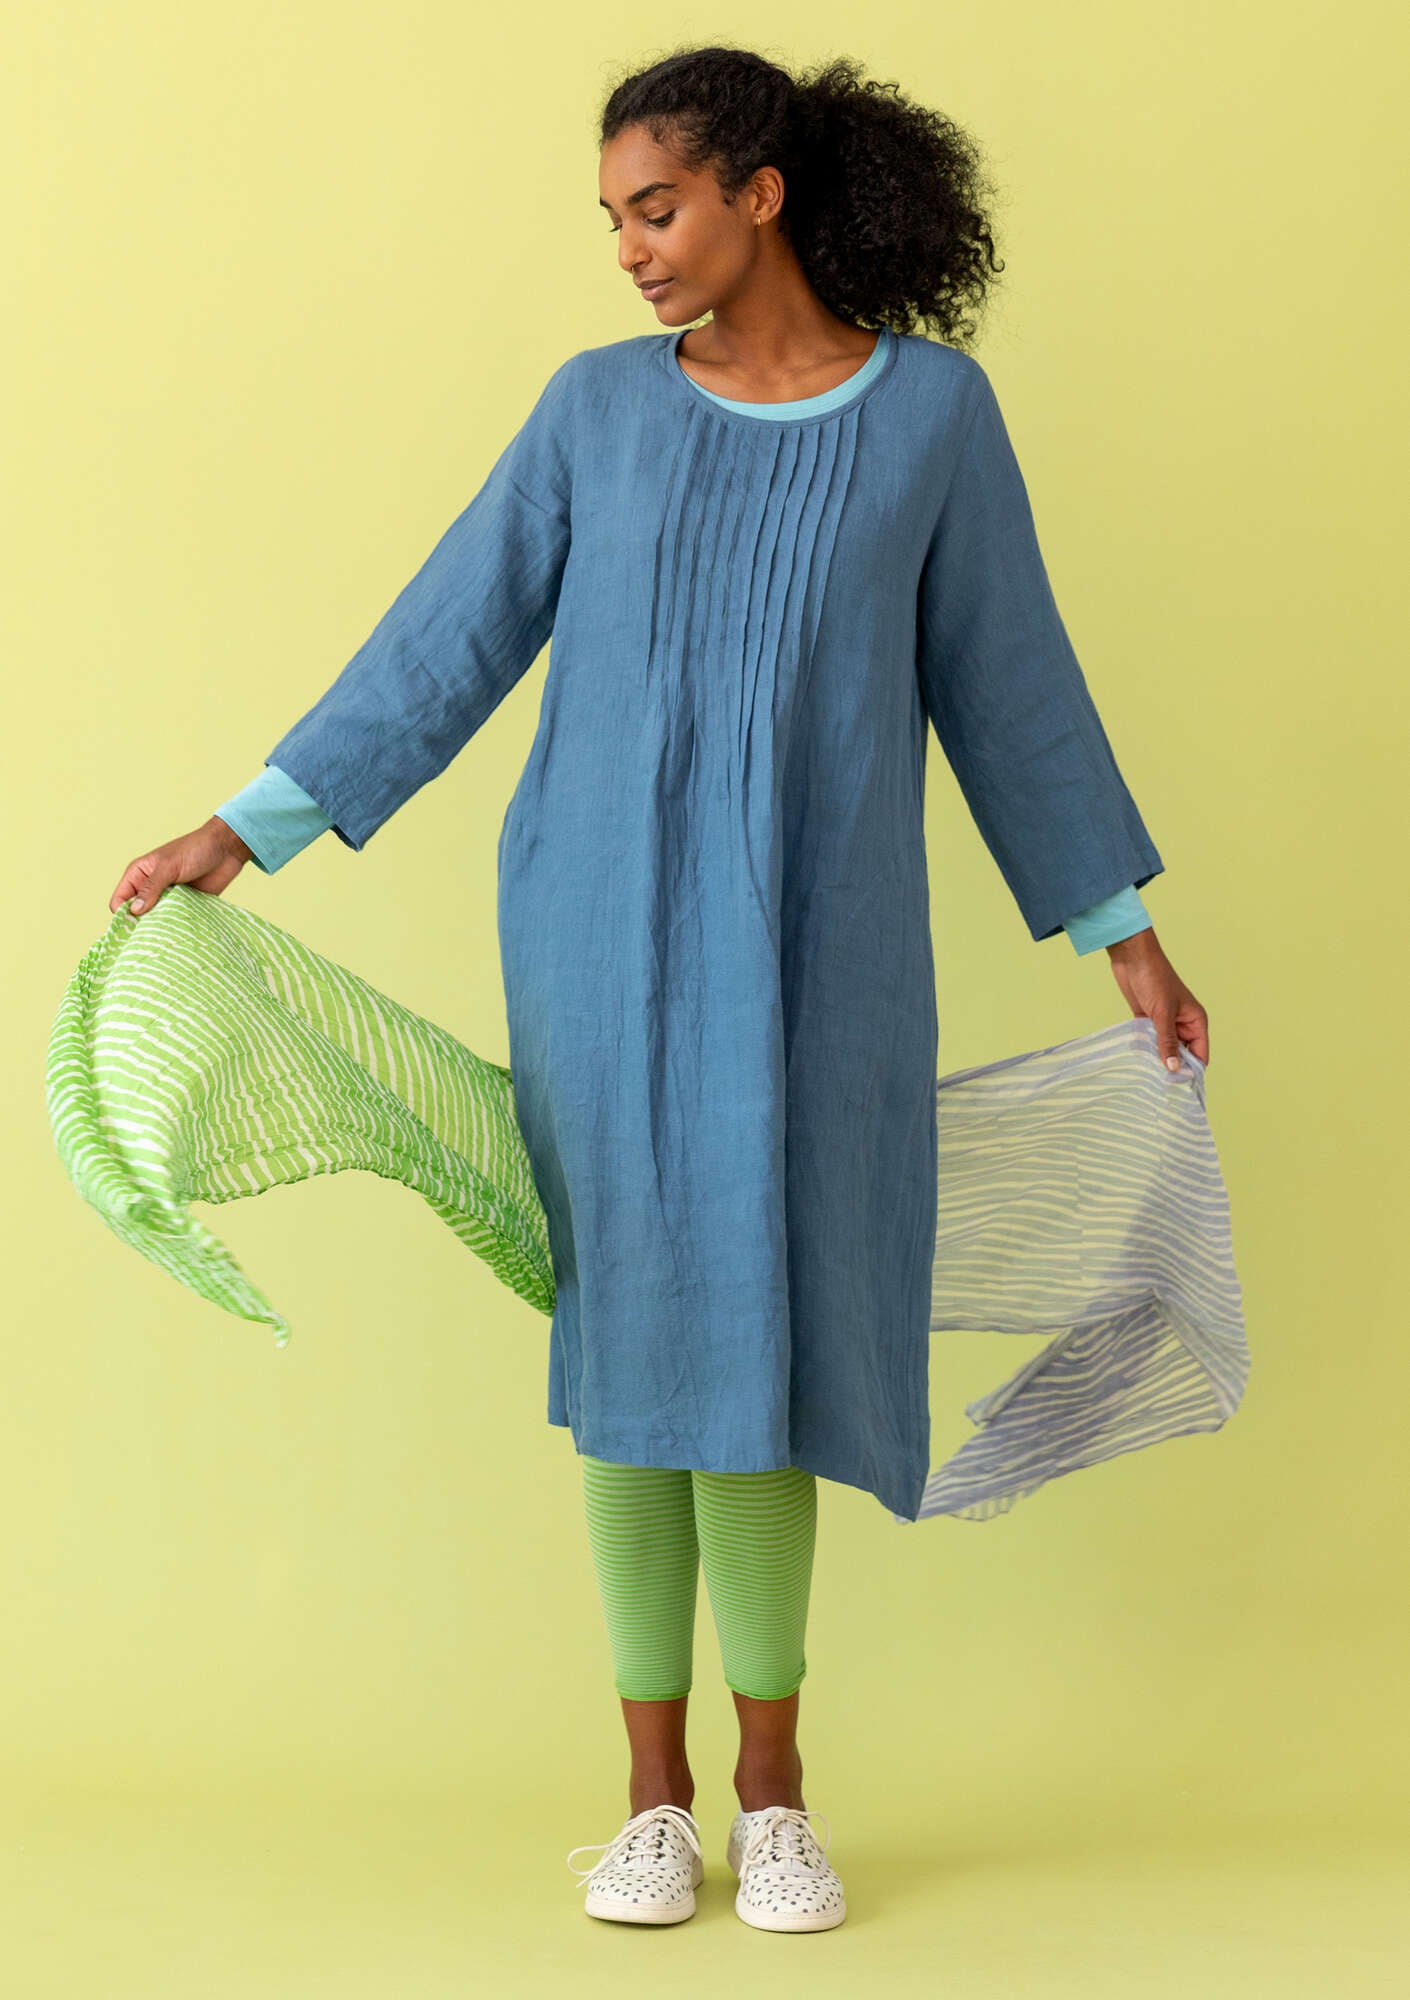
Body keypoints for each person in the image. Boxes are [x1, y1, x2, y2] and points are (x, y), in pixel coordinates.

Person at [108, 44, 1209, 1934]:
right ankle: (648, 1803)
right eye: (613, 218)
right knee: (636, 1347)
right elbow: (444, 638)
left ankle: (774, 1799)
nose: (628, 248)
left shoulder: (932, 418)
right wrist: (248, 828)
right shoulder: (593, 412)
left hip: (831, 956)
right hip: (599, 943)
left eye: (657, 207)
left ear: (758, 194)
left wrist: (1123, 932)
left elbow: (1010, 681)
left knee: (771, 1345)